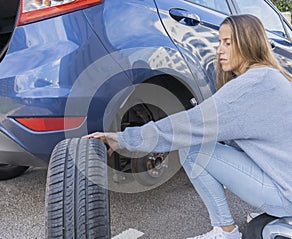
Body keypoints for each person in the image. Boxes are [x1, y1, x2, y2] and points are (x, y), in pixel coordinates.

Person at [85, 14, 292, 239]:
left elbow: (187, 126)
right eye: (219, 42)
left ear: (249, 43)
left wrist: (124, 138)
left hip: (285, 195)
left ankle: (225, 231)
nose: (219, 50)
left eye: (228, 43)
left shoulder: (251, 85)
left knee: (192, 148)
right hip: (285, 181)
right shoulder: (270, 77)